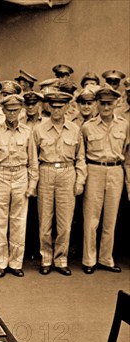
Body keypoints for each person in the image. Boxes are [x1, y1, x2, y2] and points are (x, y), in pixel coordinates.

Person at [29, 91, 86, 276]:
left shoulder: (75, 129)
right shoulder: (39, 129)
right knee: (45, 221)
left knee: (64, 222)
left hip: (67, 173)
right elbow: (33, 159)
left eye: (60, 106)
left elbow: (80, 158)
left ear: (67, 107)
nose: (56, 110)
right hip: (46, 171)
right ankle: (46, 258)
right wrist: (34, 182)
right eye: (53, 106)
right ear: (48, 107)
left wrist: (80, 180)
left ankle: (61, 259)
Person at [0, 95, 38, 277]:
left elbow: (33, 161)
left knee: (18, 221)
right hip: (0, 174)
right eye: (9, 110)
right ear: (3, 111)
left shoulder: (27, 132)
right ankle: (0, 263)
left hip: (20, 175)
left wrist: (32, 184)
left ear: (20, 110)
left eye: (16, 110)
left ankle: (15, 263)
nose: (12, 113)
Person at [81, 87, 129, 274]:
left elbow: (127, 153)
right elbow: (82, 154)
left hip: (116, 170)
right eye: (102, 103)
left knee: (110, 218)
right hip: (94, 170)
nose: (106, 107)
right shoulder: (88, 126)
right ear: (97, 104)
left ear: (116, 103)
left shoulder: (124, 125)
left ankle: (105, 259)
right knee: (91, 218)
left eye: (109, 103)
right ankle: (89, 259)